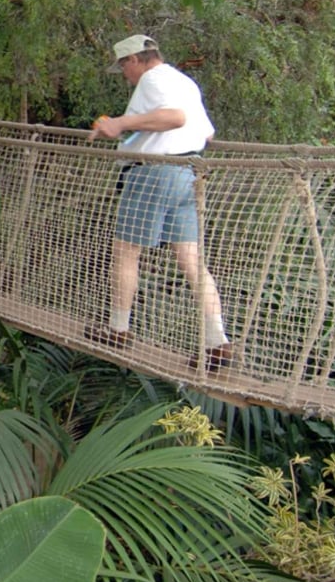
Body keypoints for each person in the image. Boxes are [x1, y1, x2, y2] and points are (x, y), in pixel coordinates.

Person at [84, 34, 234, 372]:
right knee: (191, 260)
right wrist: (137, 131)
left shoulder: (151, 79)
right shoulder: (184, 81)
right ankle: (218, 342)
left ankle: (118, 330)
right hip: (187, 174)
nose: (125, 75)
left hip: (154, 174)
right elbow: (205, 133)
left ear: (135, 60)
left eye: (124, 66)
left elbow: (174, 118)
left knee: (125, 252)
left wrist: (120, 123)